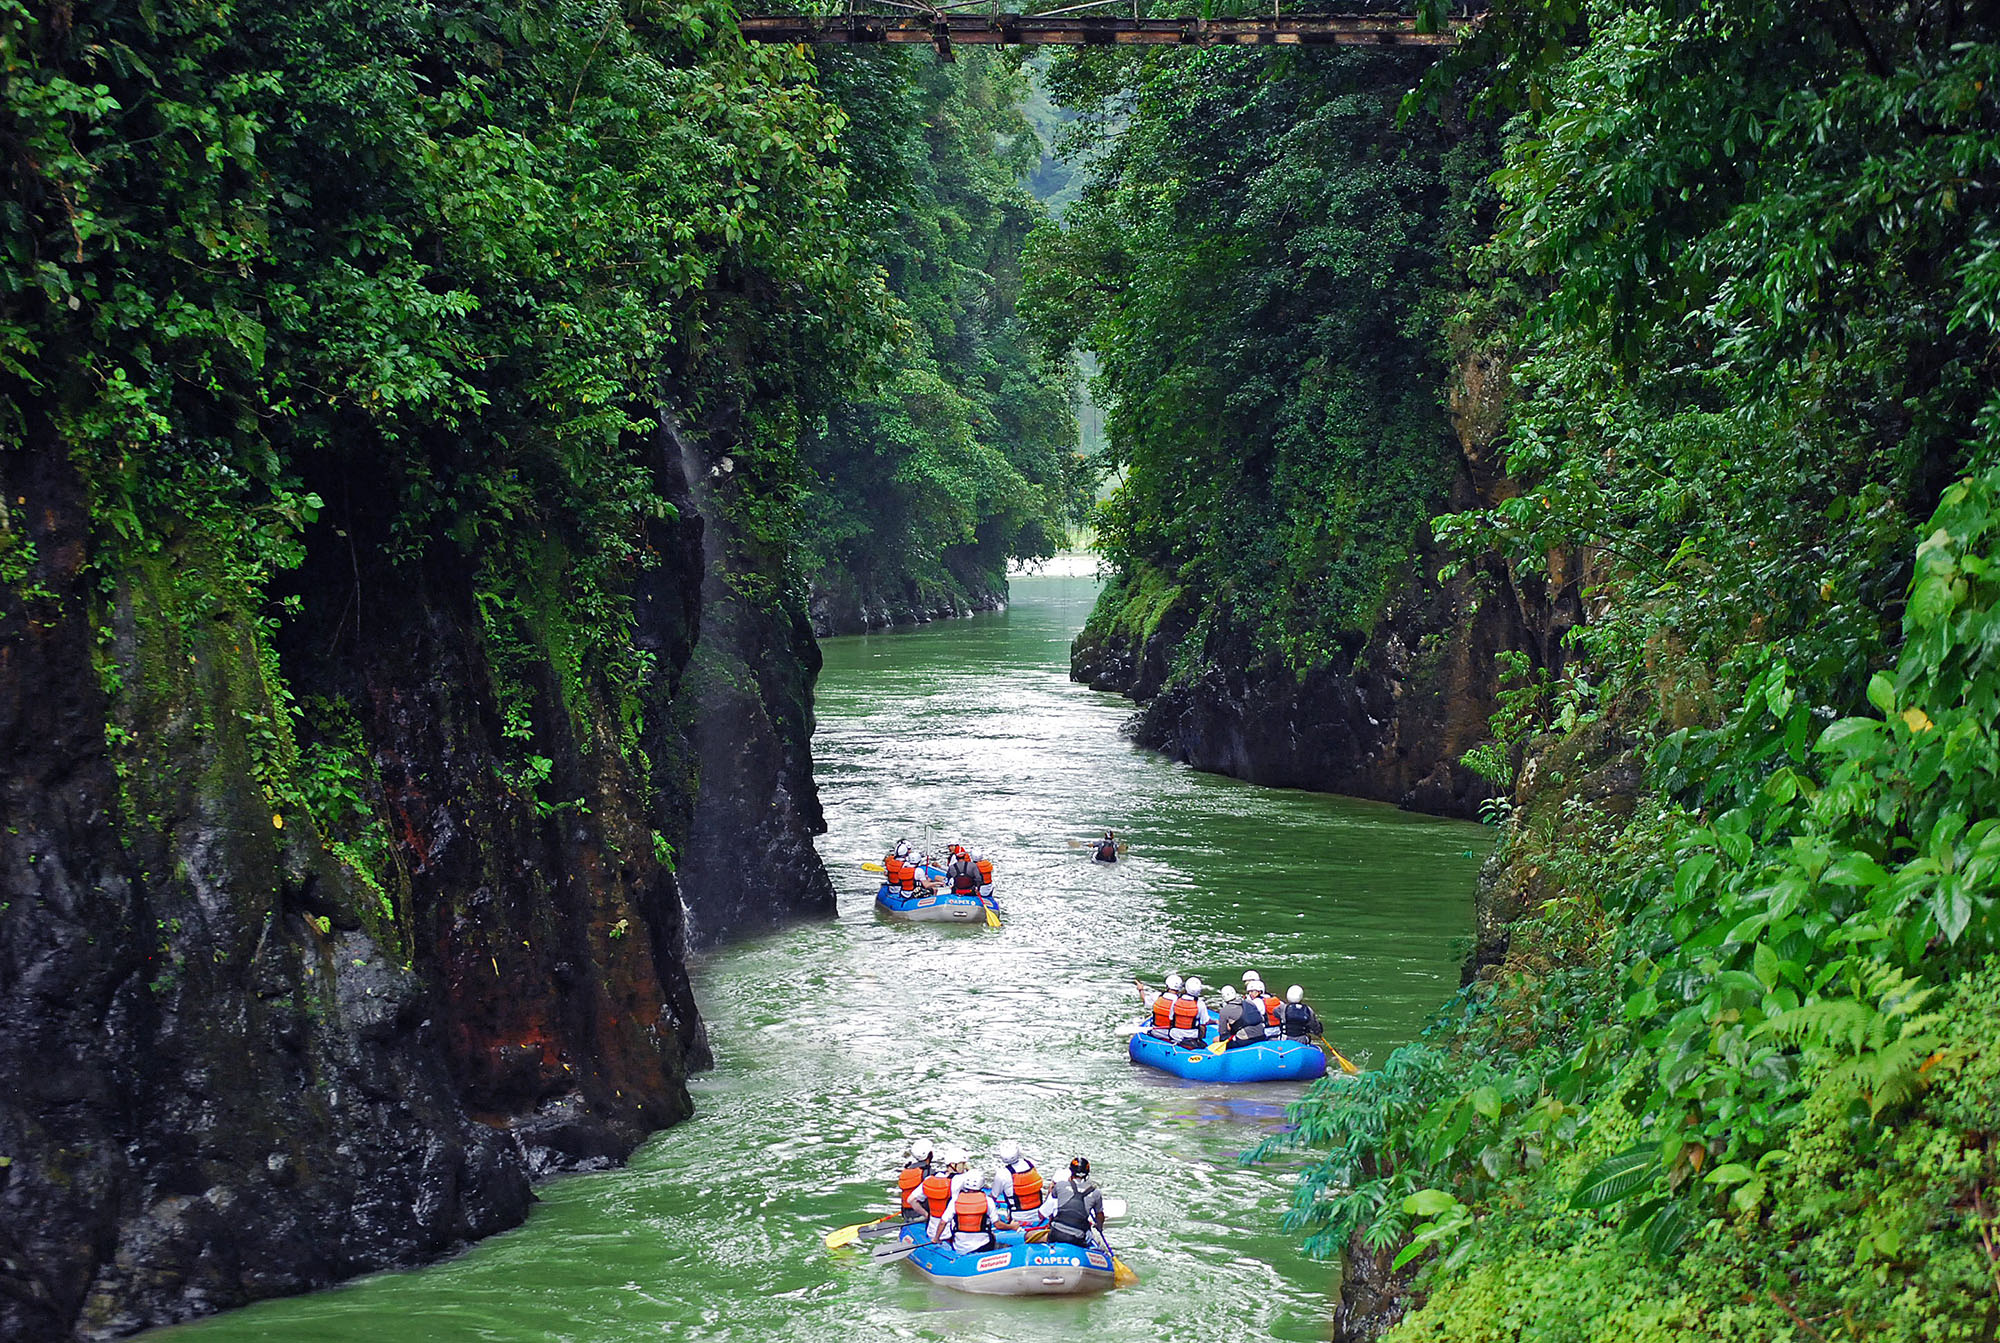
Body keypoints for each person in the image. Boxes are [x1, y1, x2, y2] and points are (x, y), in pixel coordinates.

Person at [945, 1167, 1015, 1253]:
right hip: (983, 1246)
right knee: (992, 1236)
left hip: (959, 1246)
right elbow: (998, 1225)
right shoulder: (988, 1201)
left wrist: (936, 1239)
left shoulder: (955, 1201)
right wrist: (1012, 1226)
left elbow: (943, 1222)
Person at [1046, 1156, 1105, 1247]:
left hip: (1055, 1234)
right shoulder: (1095, 1193)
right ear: (1087, 1174)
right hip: (1076, 1238)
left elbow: (1052, 1199)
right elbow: (1099, 1215)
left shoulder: (1060, 1185)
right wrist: (1099, 1227)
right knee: (1091, 1236)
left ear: (1071, 1171)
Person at [995, 1140, 1052, 1224]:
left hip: (1017, 1218)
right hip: (1038, 1214)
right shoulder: (1030, 1164)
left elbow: (993, 1196)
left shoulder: (1002, 1174)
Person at [918, 1146, 969, 1232]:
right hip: (950, 1230)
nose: (964, 1167)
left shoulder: (931, 1178)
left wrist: (926, 1215)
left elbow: (911, 1200)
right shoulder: (960, 1180)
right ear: (953, 1164)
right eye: (962, 1164)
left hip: (931, 1229)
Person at [897, 1139, 934, 1221]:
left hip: (907, 1215)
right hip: (924, 1216)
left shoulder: (907, 1170)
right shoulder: (929, 1173)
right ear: (930, 1154)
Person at [1137, 973, 1183, 1039]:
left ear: (1167, 986)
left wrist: (1141, 990)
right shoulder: (1181, 1002)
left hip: (1155, 1032)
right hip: (1171, 1035)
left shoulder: (1157, 996)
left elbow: (1145, 1001)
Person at [1170, 976, 1209, 1048]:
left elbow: (1171, 1018)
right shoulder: (1200, 1004)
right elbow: (1204, 1023)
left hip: (1175, 1035)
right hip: (1192, 1036)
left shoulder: (1176, 1000)